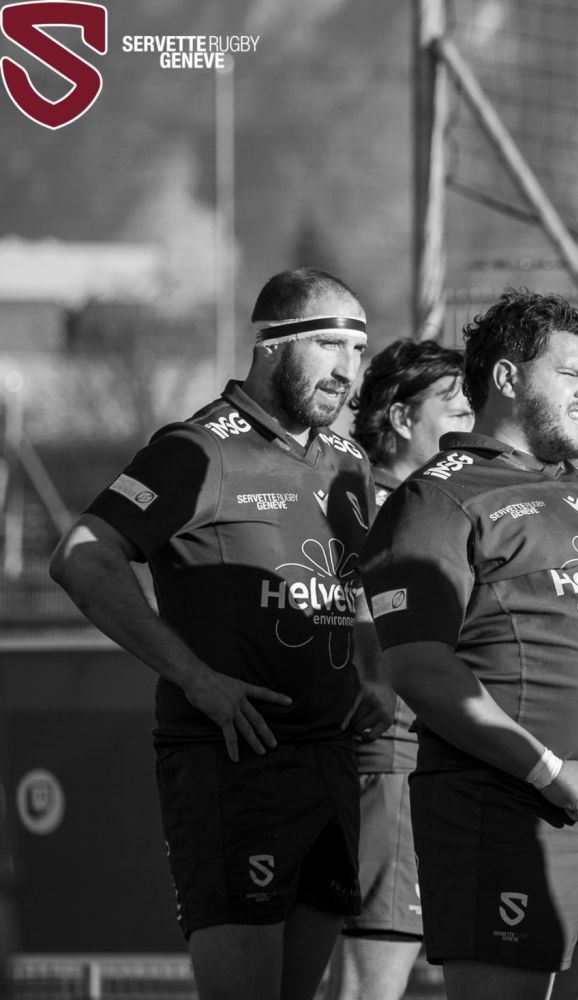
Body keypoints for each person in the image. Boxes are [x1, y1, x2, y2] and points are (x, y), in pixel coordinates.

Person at [49, 268, 393, 1000]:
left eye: (359, 350)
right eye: (329, 345)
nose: (347, 369)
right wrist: (195, 678)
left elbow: (356, 585)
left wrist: (372, 671)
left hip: (332, 761)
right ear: (271, 345)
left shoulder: (350, 461)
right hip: (236, 766)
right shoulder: (199, 448)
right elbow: (82, 557)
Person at [358, 290, 578, 1000]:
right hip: (509, 813)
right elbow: (418, 667)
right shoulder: (436, 500)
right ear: (508, 379)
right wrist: (549, 771)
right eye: (570, 374)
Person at [324, 339, 474, 1000]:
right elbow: (364, 607)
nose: (471, 420)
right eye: (456, 407)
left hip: (428, 759)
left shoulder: (435, 501)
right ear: (402, 418)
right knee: (371, 977)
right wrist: (377, 679)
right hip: (394, 758)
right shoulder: (376, 502)